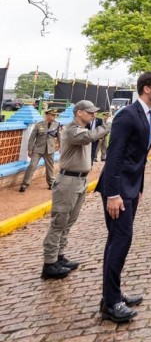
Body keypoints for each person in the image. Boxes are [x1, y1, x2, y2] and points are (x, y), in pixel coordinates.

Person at [97, 71, 151, 324]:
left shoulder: (147, 115)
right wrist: (113, 194)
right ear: (146, 89)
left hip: (131, 188)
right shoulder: (127, 115)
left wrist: (139, 187)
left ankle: (111, 294)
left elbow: (139, 158)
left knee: (116, 241)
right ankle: (111, 304)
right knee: (120, 242)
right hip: (117, 190)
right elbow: (114, 156)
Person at [41, 101, 108, 280]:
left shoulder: (82, 130)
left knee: (69, 222)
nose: (94, 115)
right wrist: (108, 126)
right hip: (68, 181)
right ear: (79, 112)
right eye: (90, 112)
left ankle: (59, 257)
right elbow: (89, 137)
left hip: (80, 180)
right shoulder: (72, 130)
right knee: (59, 222)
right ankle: (49, 263)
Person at [19, 108, 60, 192]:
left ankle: (51, 183)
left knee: (50, 167)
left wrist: (61, 146)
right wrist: (30, 149)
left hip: (49, 150)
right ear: (47, 115)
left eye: (55, 115)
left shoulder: (57, 125)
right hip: (38, 149)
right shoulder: (39, 125)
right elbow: (32, 138)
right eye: (52, 115)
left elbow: (60, 136)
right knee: (32, 165)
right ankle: (25, 184)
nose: (54, 117)